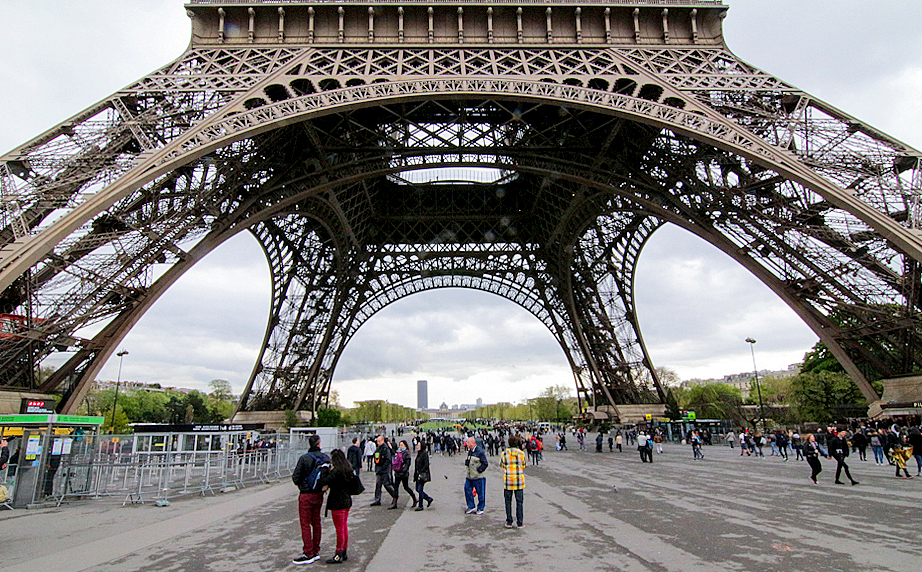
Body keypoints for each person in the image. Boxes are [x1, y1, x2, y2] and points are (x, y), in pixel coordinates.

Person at [319, 448, 362, 564]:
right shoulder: (347, 469)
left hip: (338, 502)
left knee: (339, 529)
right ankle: (344, 551)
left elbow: (323, 481)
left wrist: (324, 471)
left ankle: (338, 553)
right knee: (343, 527)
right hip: (346, 500)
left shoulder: (336, 472)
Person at [291, 435, 330, 565]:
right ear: (319, 444)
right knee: (316, 521)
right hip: (319, 493)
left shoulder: (304, 458)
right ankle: (316, 549)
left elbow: (295, 477)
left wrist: (303, 485)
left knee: (305, 523)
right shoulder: (325, 458)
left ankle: (308, 552)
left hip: (306, 494)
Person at [500, 434, 527, 528]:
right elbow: (523, 465)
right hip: (518, 480)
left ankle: (509, 521)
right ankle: (520, 522)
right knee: (519, 502)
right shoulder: (521, 453)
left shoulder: (504, 453)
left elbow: (502, 465)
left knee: (508, 501)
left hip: (508, 480)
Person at [370, 435, 399, 509]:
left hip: (385, 470)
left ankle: (395, 496)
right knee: (378, 484)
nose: (378, 442)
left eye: (379, 441)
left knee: (387, 484)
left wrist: (383, 466)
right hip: (379, 469)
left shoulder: (385, 448)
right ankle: (377, 499)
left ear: (382, 441)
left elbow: (388, 459)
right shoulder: (378, 448)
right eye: (377, 441)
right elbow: (376, 457)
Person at [463, 436, 489, 515]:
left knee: (480, 493)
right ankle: (471, 506)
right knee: (467, 489)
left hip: (478, 477)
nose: (466, 444)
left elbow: (485, 463)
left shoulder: (480, 452)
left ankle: (481, 508)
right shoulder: (470, 451)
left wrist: (479, 470)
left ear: (472, 443)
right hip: (470, 476)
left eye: (468, 442)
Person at [393, 440, 418, 508]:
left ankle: (414, 499)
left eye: (402, 445)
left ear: (405, 445)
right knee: (396, 487)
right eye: (400, 445)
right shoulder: (398, 452)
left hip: (403, 473)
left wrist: (404, 470)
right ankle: (395, 503)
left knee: (406, 487)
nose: (400, 446)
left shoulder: (406, 453)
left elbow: (408, 463)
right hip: (397, 472)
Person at [413, 440, 433, 511]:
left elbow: (426, 464)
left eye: (418, 445)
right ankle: (428, 499)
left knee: (420, 489)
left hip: (422, 474)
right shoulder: (419, 453)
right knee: (418, 489)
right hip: (418, 473)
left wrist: (421, 471)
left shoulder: (424, 454)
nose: (417, 447)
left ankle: (421, 505)